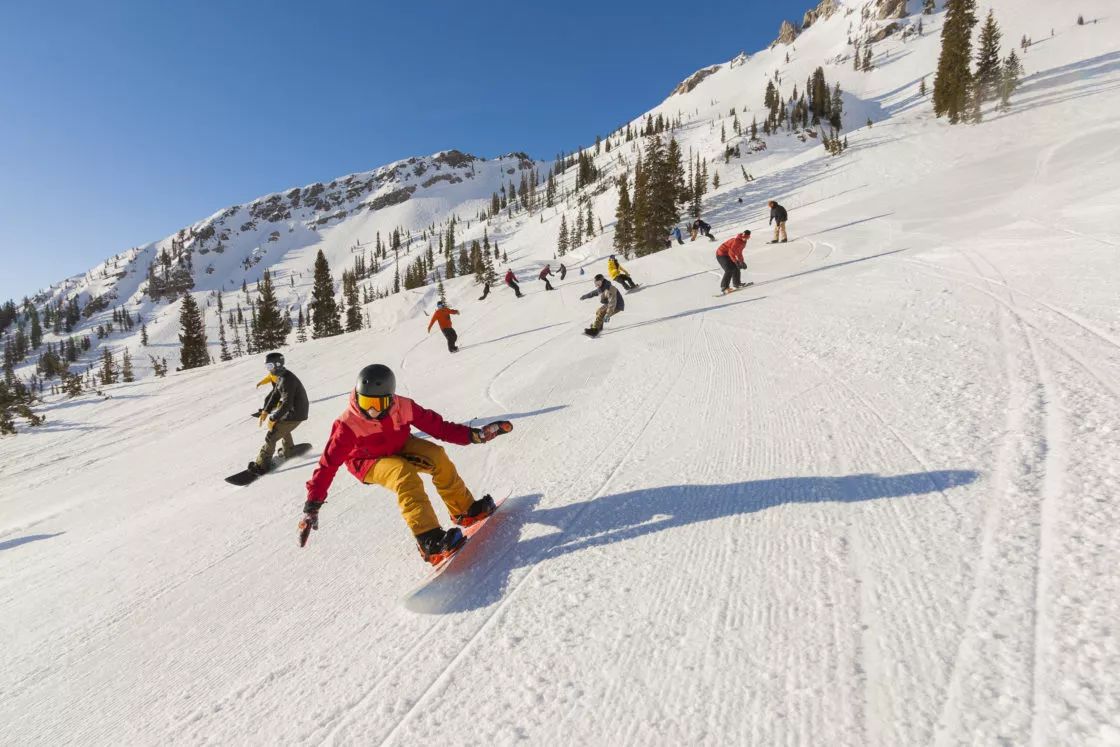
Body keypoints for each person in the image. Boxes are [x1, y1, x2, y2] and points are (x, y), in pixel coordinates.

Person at [298, 364, 512, 563]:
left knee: (436, 455)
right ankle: (429, 540)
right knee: (403, 473)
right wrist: (312, 505)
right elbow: (328, 464)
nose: (371, 410)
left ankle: (464, 511)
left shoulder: (403, 406)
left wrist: (474, 435)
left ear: (390, 398)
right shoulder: (347, 424)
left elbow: (439, 428)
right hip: (366, 461)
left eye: (378, 404)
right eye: (366, 402)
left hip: (399, 445)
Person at [249, 352, 309, 475]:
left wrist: (273, 418)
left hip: (296, 413)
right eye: (267, 367)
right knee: (281, 427)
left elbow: (287, 404)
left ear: (278, 364)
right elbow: (275, 395)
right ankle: (289, 451)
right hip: (294, 411)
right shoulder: (281, 377)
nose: (268, 369)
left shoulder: (288, 380)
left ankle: (261, 466)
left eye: (270, 366)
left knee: (272, 435)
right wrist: (266, 410)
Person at [715, 230, 751, 294]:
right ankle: (724, 287)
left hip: (728, 255)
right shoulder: (737, 241)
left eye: (746, 237)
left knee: (736, 267)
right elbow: (731, 252)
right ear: (742, 235)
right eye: (743, 237)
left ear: (748, 237)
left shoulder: (743, 242)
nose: (744, 238)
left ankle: (737, 283)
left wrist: (741, 261)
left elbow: (739, 252)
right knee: (729, 269)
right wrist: (736, 261)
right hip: (721, 254)